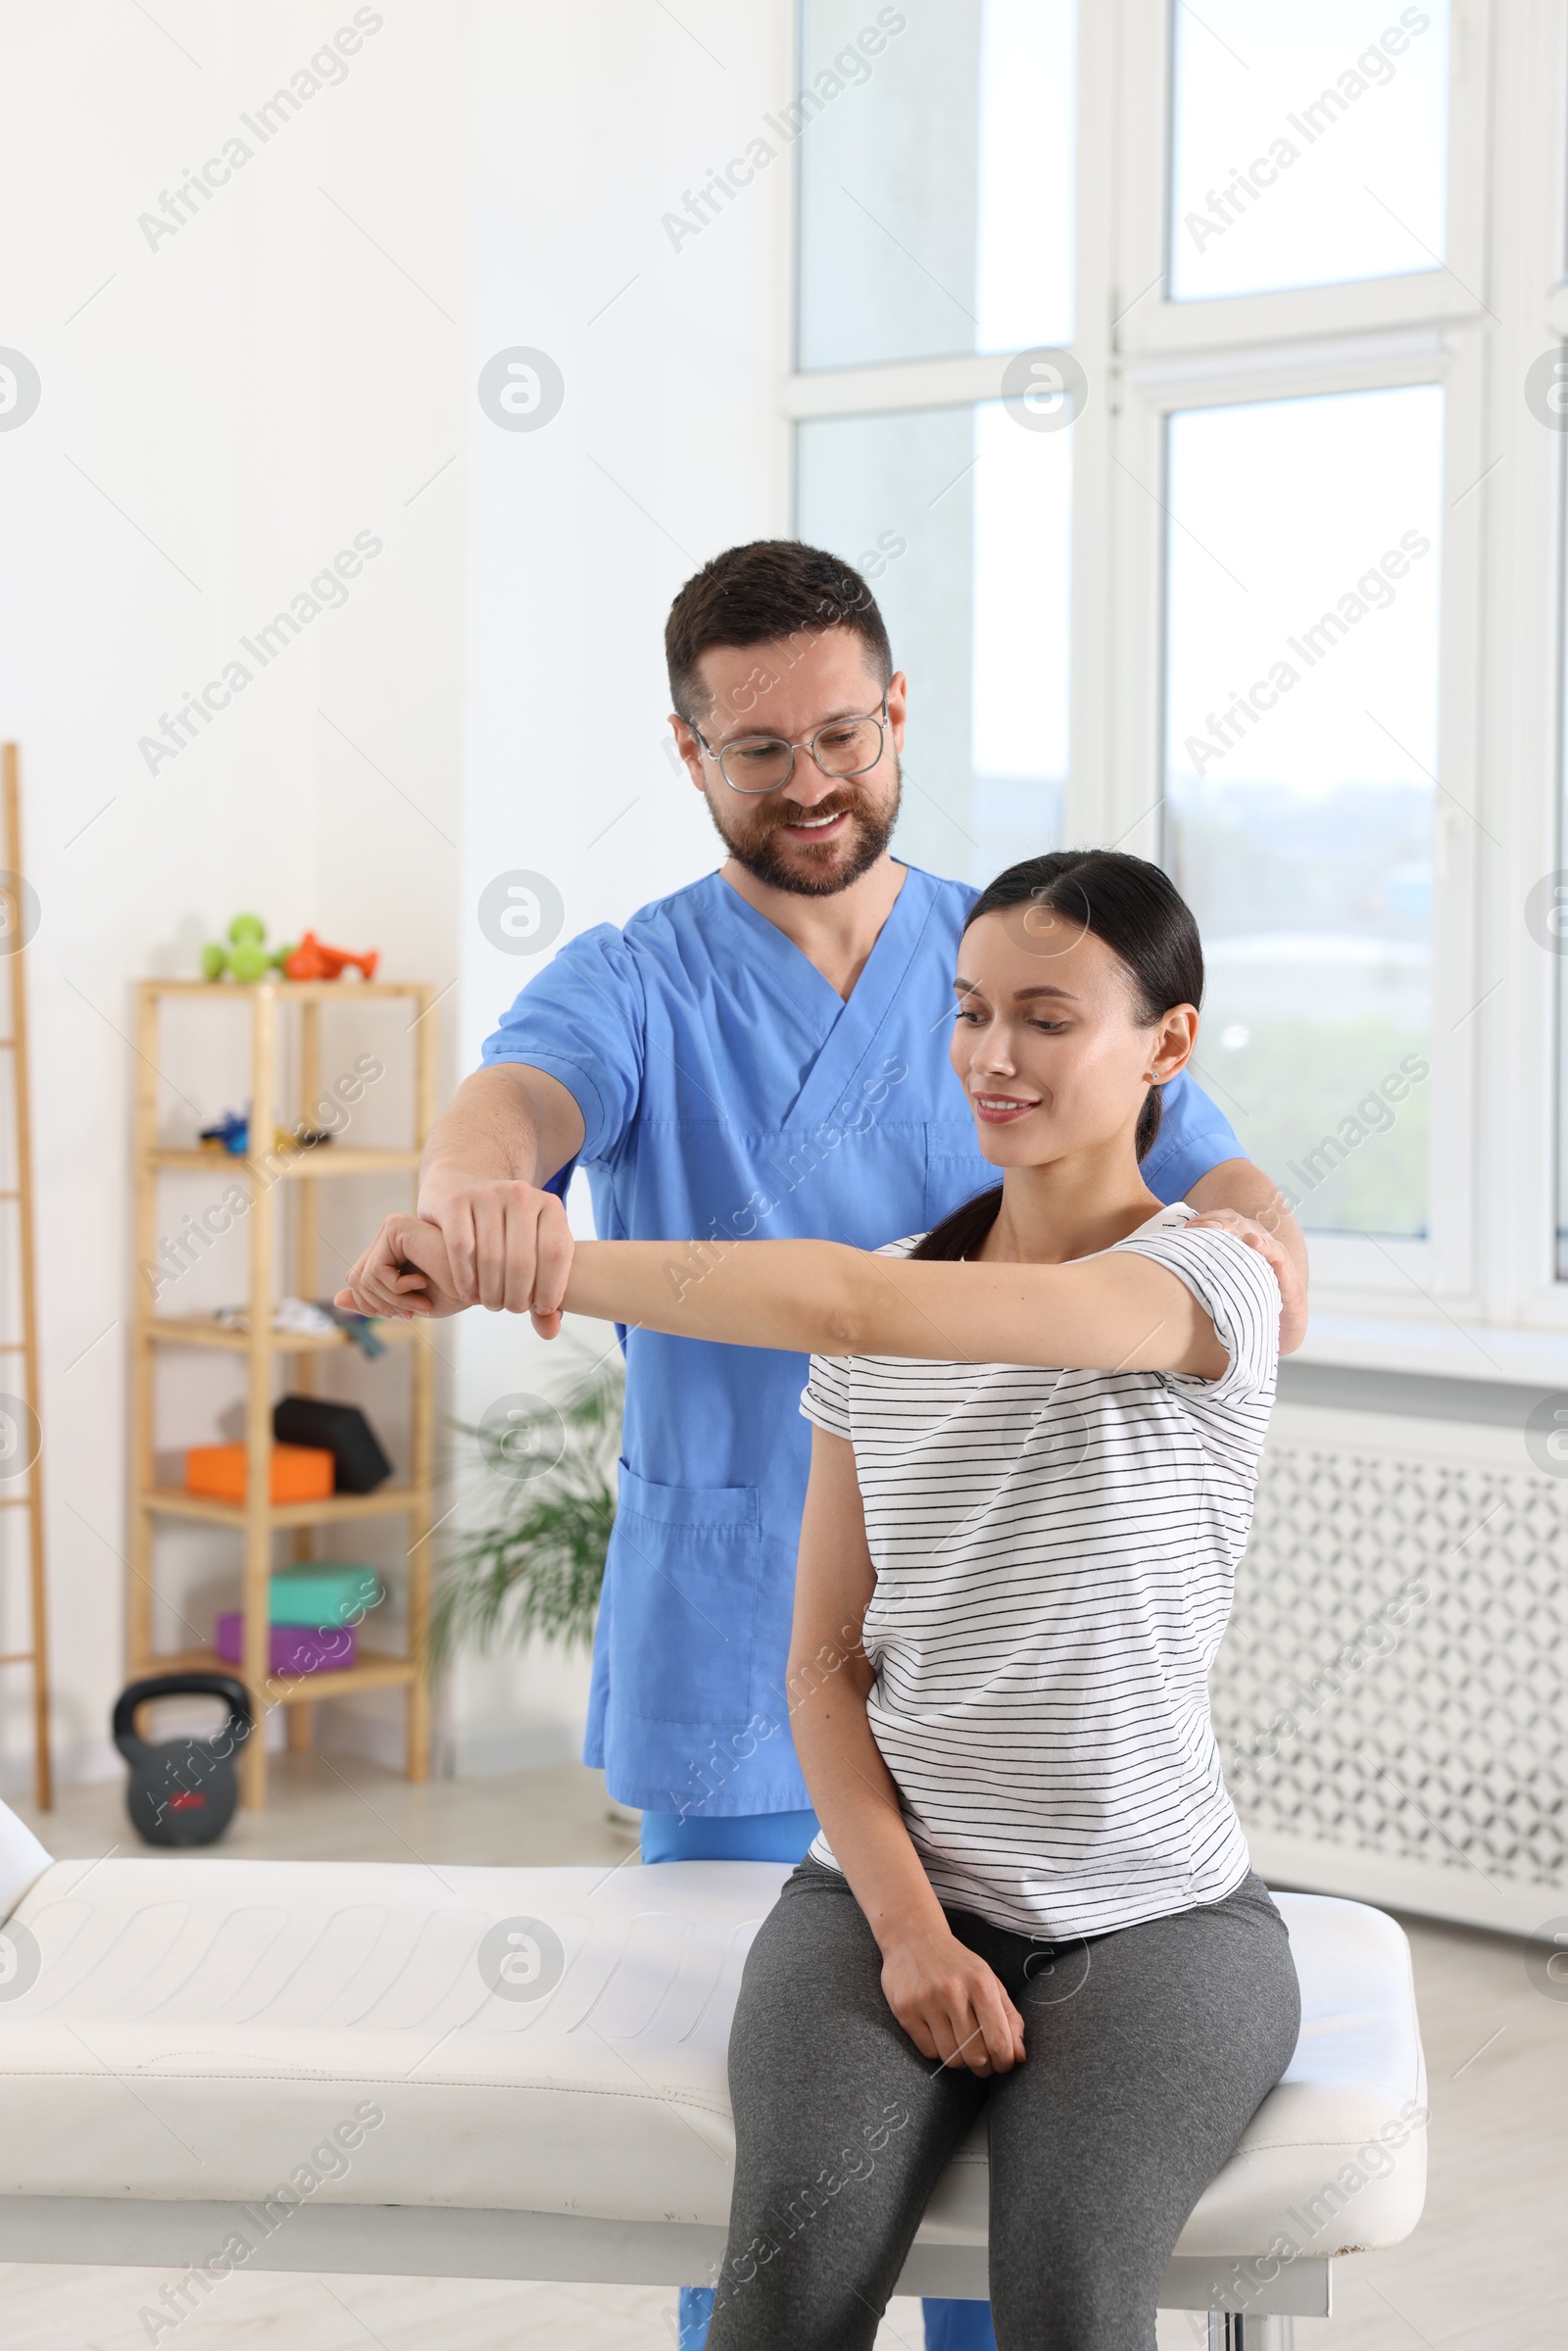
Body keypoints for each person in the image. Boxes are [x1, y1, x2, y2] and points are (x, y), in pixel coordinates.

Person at [340, 540, 1307, 2351]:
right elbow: (518, 1102)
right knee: (780, 2180)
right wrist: (474, 1202)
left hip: (1006, 1670)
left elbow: (1201, 1153)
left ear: (898, 714)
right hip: (747, 1651)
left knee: (1017, 2216)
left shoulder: (1015, 950)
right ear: (691, 752)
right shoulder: (639, 979)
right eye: (760, 747)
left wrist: (1265, 1220)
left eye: (844, 735)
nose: (812, 781)